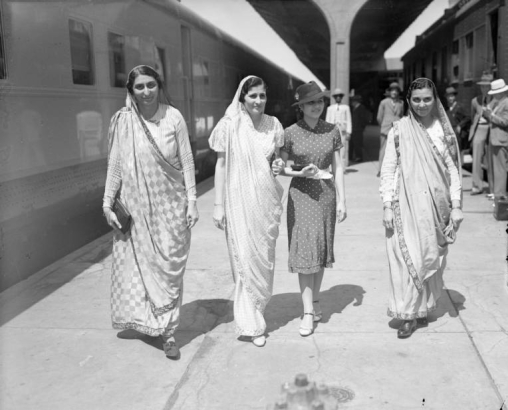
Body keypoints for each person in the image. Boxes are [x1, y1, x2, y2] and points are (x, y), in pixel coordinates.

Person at [103, 65, 199, 359]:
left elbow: (186, 159)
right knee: (141, 267)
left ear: (160, 86)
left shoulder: (173, 117)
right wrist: (107, 201)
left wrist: (193, 200)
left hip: (171, 207)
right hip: (137, 207)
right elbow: (116, 164)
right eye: (139, 87)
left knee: (168, 269)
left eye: (151, 85)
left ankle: (167, 327)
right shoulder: (123, 121)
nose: (146, 92)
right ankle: (165, 332)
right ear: (131, 91)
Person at [380, 78, 463, 339]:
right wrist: (387, 205)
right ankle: (408, 314)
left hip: (438, 209)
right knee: (410, 260)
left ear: (434, 99)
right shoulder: (399, 130)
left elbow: (453, 170)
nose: (422, 104)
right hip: (406, 205)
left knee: (431, 259)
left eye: (427, 99)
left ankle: (423, 308)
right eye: (416, 99)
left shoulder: (443, 132)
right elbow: (389, 169)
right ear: (408, 101)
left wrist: (457, 205)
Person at [209, 76, 284, 348]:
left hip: (265, 202)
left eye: (262, 96)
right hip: (238, 202)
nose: (258, 101)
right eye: (253, 96)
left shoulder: (274, 125)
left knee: (263, 259)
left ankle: (258, 311)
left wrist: (278, 164)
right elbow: (220, 165)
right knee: (244, 261)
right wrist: (218, 205)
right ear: (242, 97)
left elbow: (278, 159)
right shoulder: (229, 126)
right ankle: (251, 324)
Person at [273, 81, 347, 337]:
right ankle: (306, 312)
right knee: (305, 253)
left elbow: (338, 168)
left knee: (321, 250)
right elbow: (280, 168)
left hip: (326, 196)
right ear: (301, 107)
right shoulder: (290, 132)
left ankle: (315, 302)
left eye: (319, 101)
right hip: (301, 195)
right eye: (310, 102)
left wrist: (343, 200)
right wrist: (298, 171)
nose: (317, 106)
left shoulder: (332, 130)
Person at [484, 79, 508, 201]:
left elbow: (505, 121)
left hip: (500, 139)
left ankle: (500, 193)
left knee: (500, 168)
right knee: (493, 168)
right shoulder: (496, 102)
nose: (494, 95)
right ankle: (495, 191)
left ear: (501, 92)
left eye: (495, 93)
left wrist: (491, 115)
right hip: (494, 139)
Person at [469, 72, 493, 195]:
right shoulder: (475, 101)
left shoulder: (496, 99)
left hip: (491, 128)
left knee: (490, 158)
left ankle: (492, 188)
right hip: (479, 128)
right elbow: (472, 117)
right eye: (482, 86)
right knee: (477, 158)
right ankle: (476, 186)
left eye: (487, 86)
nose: (484, 89)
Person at [377, 82, 404, 176]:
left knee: (397, 149)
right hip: (385, 129)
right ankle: (380, 169)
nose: (394, 92)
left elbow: (401, 115)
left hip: (397, 128)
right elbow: (379, 117)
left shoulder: (401, 103)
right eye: (392, 90)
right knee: (383, 149)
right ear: (389, 92)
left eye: (396, 90)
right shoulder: (383, 102)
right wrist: (384, 125)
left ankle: (395, 170)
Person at [326, 88, 352, 169]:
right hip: (332, 130)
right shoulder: (330, 108)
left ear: (342, 97)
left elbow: (349, 120)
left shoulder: (346, 107)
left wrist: (349, 132)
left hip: (342, 130)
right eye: (336, 96)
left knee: (343, 148)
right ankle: (332, 167)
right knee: (332, 149)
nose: (338, 98)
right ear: (334, 98)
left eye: (340, 96)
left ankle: (342, 167)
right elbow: (327, 120)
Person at [445, 87, 470, 154]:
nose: (450, 98)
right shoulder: (446, 109)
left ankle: (459, 164)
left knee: (458, 150)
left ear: (455, 97)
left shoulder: (459, 106)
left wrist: (460, 125)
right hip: (449, 132)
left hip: (457, 132)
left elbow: (468, 117)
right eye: (449, 96)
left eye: (452, 96)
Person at [350, 94, 370, 162]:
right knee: (351, 143)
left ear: (356, 102)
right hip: (353, 129)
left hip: (358, 129)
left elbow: (364, 119)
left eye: (353, 101)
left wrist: (361, 127)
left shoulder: (361, 108)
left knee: (358, 144)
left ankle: (359, 157)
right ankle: (350, 156)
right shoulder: (353, 108)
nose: (351, 103)